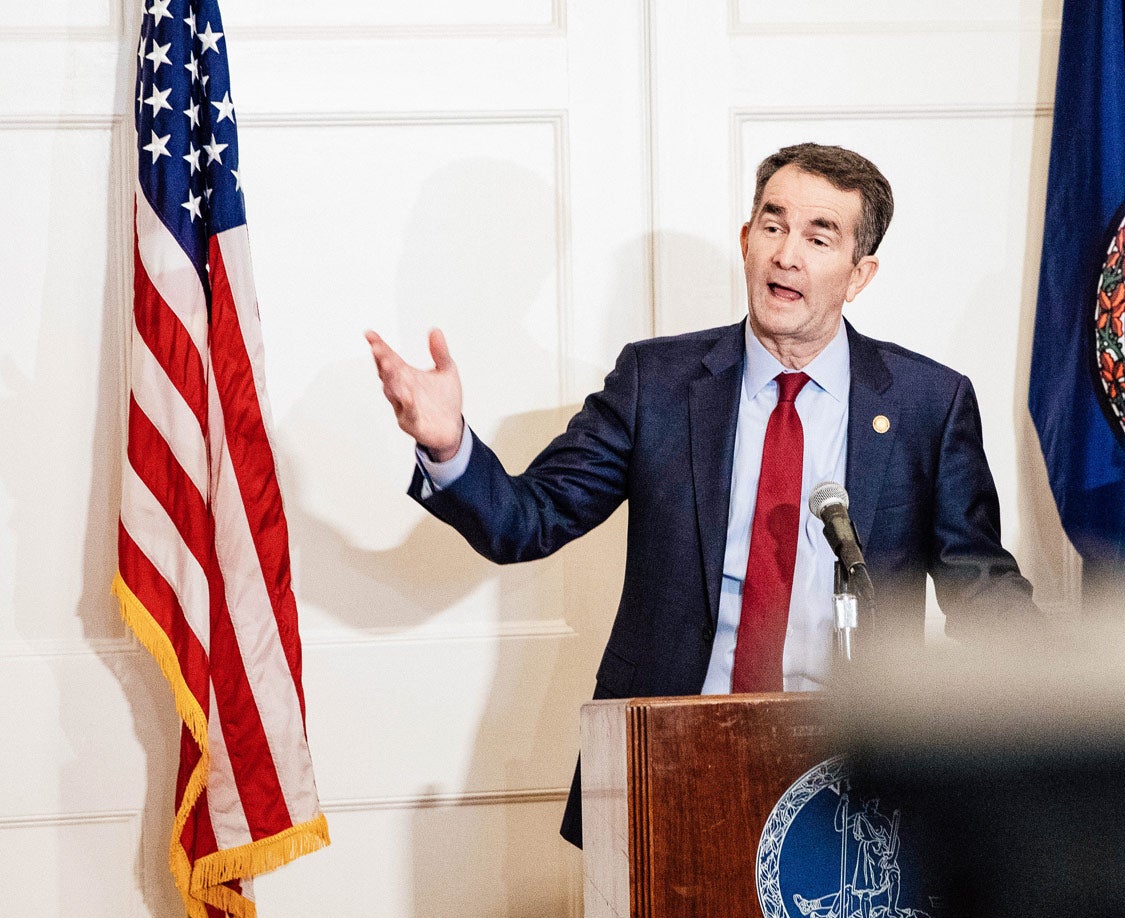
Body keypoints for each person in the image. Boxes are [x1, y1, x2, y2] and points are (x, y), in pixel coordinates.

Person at [368, 143, 1034, 846]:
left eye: (819, 236)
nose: (787, 255)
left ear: (859, 274)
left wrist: (1095, 688)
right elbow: (527, 522)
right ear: (746, 242)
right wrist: (448, 446)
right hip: (674, 758)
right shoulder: (656, 382)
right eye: (772, 226)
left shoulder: (928, 403)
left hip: (857, 779)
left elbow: (978, 587)